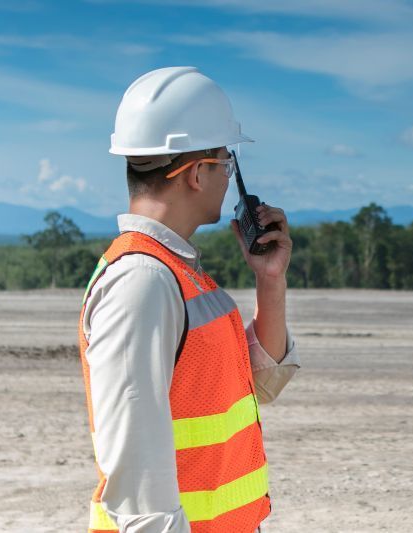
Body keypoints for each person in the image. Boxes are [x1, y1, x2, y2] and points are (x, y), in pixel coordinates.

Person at [78, 66, 299, 532]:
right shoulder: (142, 282)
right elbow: (136, 476)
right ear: (198, 173)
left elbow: (258, 383)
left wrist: (270, 282)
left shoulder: (181, 274)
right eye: (227, 163)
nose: (229, 177)